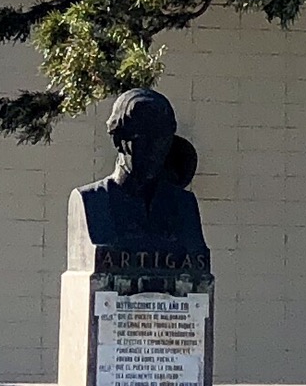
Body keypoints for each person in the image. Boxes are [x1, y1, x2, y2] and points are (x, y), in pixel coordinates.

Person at [71, 87, 210, 275]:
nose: (155, 149)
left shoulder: (184, 204)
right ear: (119, 140)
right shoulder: (92, 201)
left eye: (163, 139)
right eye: (144, 138)